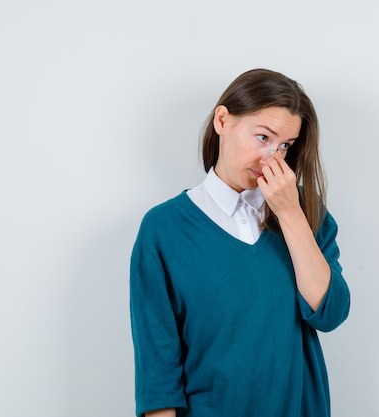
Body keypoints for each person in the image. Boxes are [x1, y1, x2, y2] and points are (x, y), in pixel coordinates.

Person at [130, 68, 350, 417]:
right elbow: (157, 372)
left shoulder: (306, 212)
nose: (272, 158)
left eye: (285, 146)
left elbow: (330, 313)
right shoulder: (164, 229)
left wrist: (290, 214)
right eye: (263, 137)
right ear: (222, 120)